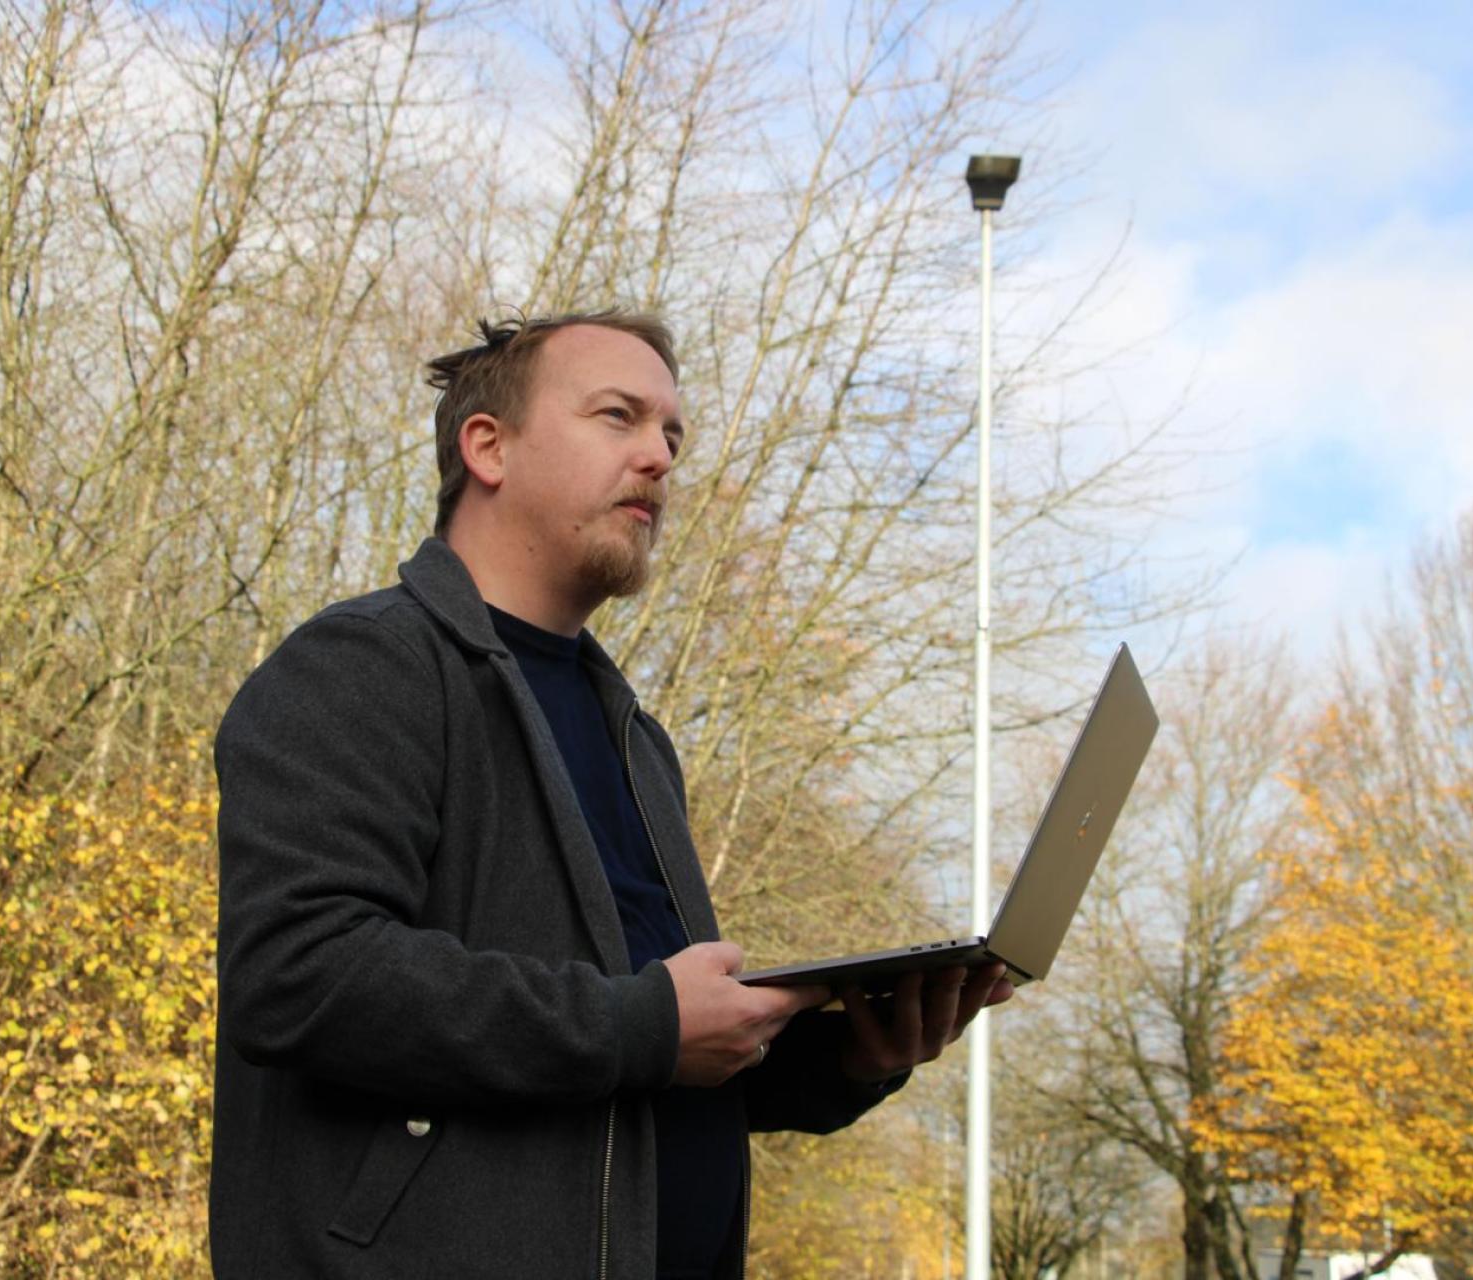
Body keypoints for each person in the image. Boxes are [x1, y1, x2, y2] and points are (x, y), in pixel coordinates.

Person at [209, 310, 1011, 1279]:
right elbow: (301, 974)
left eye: (671, 434)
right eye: (619, 416)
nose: (660, 458)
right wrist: (648, 1024)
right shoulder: (364, 666)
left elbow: (641, 1064)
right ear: (488, 446)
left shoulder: (633, 736)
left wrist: (852, 1056)